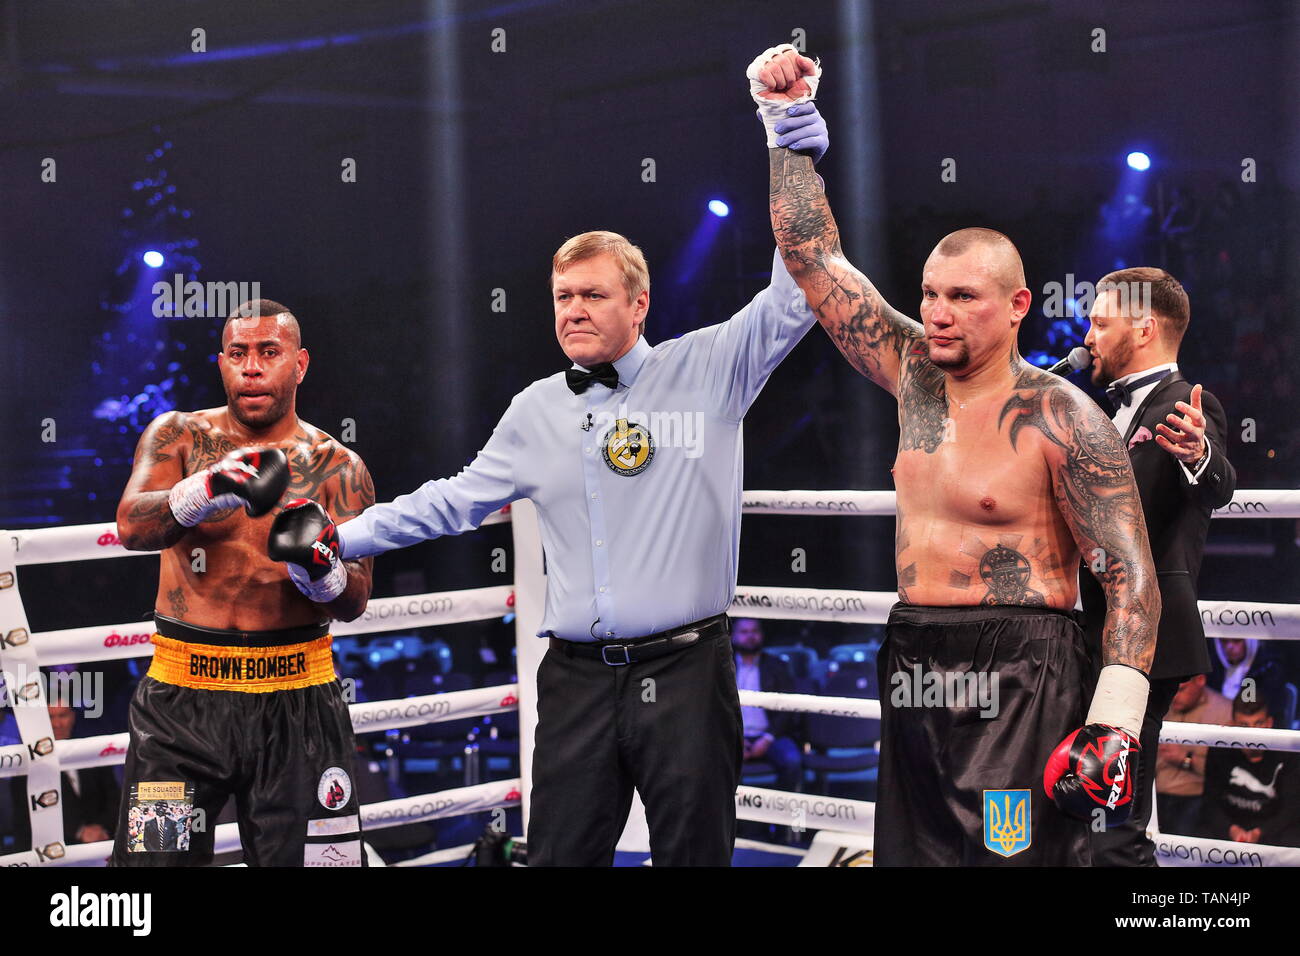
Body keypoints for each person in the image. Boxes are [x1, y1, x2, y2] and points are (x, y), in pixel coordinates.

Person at [335, 94, 830, 864]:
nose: (572, 311)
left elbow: (799, 290)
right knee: (560, 856)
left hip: (687, 669)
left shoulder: (708, 369)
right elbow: (457, 499)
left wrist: (792, 146)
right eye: (562, 297)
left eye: (592, 294)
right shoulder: (535, 408)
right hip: (574, 680)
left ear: (639, 302)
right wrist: (343, 537)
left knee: (694, 856)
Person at [757, 45, 1160, 865]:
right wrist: (786, 127)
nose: (937, 315)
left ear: (1017, 307)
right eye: (930, 295)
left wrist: (1112, 721)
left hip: (1023, 670)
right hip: (916, 654)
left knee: (1010, 857)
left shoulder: (1064, 418)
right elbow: (815, 261)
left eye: (962, 298)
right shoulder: (912, 376)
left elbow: (1128, 574)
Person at [109, 299, 375, 867]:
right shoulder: (178, 437)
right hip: (179, 712)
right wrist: (205, 489)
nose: (251, 367)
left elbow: (355, 600)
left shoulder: (340, 468)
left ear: (299, 365)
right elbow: (132, 526)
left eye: (268, 353)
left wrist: (320, 569)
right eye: (238, 354)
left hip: (298, 703)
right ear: (222, 363)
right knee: (151, 870)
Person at [1080, 266, 1236, 864]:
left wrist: (1199, 453)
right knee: (1081, 806)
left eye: (1100, 321)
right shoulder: (1099, 409)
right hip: (1087, 634)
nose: (1089, 335)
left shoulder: (1187, 407)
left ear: (1143, 328)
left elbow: (1217, 484)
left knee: (1113, 823)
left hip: (1144, 645)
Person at [8, 704, 119, 850]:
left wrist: (100, 828)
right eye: (50, 717)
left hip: (101, 844)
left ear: (72, 717)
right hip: (52, 852)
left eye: (62, 716)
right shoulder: (26, 764)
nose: (57, 724)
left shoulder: (89, 751)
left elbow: (114, 798)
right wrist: (79, 832)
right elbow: (27, 817)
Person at [1199, 687, 1300, 847]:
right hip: (1231, 825)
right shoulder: (1219, 748)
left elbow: (1291, 808)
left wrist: (1261, 832)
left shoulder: (1288, 751)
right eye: (1244, 726)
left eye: (1258, 723)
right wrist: (1230, 829)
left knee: (1292, 839)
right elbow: (1210, 801)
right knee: (1200, 836)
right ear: (1232, 725)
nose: (1252, 734)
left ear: (1269, 723)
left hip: (1273, 828)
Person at [731, 618, 803, 793]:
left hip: (771, 735)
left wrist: (767, 738)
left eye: (754, 631)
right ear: (733, 636)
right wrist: (737, 739)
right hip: (733, 736)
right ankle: (736, 819)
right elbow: (715, 709)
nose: (750, 636)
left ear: (762, 635)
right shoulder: (723, 666)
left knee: (792, 761)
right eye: (744, 632)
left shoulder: (777, 666)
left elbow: (787, 709)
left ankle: (778, 819)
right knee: (713, 762)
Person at [1154, 674, 1231, 837]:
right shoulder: (1162, 701)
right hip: (1153, 794)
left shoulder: (1224, 711)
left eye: (1181, 689)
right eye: (1173, 688)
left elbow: (1228, 770)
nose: (1175, 695)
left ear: (1200, 680)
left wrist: (1185, 759)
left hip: (1195, 799)